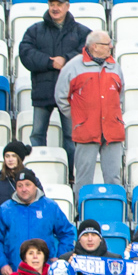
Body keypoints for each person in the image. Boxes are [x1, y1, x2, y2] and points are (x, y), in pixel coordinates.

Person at [56, 30, 126, 193]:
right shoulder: (73, 66)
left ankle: (113, 210)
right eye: (107, 44)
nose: (111, 47)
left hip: (112, 130)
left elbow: (120, 95)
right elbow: (61, 97)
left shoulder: (115, 67)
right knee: (83, 178)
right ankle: (81, 213)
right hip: (86, 131)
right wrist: (79, 119)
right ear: (95, 47)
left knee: (114, 177)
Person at [18, 0, 89, 148]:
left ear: (67, 7)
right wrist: (50, 63)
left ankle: (71, 173)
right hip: (43, 90)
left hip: (71, 94)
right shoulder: (34, 30)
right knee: (37, 135)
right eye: (52, 4)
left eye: (59, 5)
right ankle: (36, 171)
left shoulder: (82, 32)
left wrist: (66, 59)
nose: (55, 8)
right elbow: (25, 53)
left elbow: (88, 52)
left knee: (72, 137)